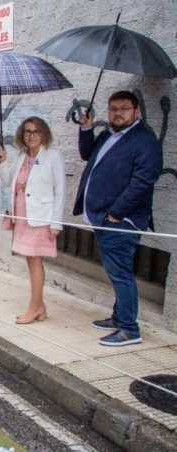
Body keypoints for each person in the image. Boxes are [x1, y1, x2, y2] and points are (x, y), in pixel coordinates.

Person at [74, 91, 163, 346]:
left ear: (136, 111)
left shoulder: (144, 141)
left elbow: (143, 182)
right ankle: (117, 318)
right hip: (102, 217)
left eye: (124, 108)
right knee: (117, 271)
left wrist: (115, 213)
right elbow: (86, 155)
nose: (118, 113)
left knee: (121, 273)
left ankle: (128, 329)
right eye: (113, 108)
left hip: (120, 221)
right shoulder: (107, 135)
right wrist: (87, 129)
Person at [0, 117, 66, 324]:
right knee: (30, 260)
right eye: (27, 131)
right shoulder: (22, 156)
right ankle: (40, 306)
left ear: (44, 133)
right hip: (21, 216)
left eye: (36, 131)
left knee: (35, 261)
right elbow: (8, 181)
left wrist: (56, 223)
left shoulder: (53, 157)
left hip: (40, 217)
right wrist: (2, 161)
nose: (31, 135)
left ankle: (34, 307)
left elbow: (60, 191)